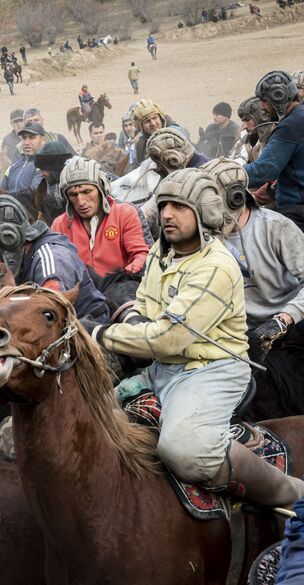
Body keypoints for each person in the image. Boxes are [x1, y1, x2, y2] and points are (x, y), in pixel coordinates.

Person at [92, 168, 304, 509]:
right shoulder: (162, 254)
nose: (166, 215)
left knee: (184, 450)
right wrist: (135, 321)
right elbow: (145, 305)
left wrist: (99, 334)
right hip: (164, 368)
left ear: (204, 211)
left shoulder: (216, 265)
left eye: (178, 206)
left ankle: (292, 494)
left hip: (211, 370)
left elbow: (168, 339)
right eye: (163, 206)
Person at [204, 158, 304, 366]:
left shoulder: (276, 228)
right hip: (242, 336)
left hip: (291, 326)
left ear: (235, 196)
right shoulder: (205, 239)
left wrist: (283, 320)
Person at [0, 195, 109, 322]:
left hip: (86, 331)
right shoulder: (30, 255)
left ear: (8, 236)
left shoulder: (50, 259)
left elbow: (49, 312)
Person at [51, 157, 150, 277]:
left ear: (102, 189)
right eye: (73, 194)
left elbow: (142, 254)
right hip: (80, 291)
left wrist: (128, 276)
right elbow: (57, 265)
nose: (81, 201)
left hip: (121, 286)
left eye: (87, 192)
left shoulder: (125, 213)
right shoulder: (60, 225)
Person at [244, 71, 304, 223]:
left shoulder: (289, 126)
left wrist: (228, 174)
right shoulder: (299, 118)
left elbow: (264, 170)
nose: (262, 107)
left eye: (264, 101)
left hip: (295, 212)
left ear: (279, 97)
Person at [1, 122, 46, 194]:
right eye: (24, 138)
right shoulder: (14, 164)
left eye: (32, 137)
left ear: (43, 140)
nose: (26, 142)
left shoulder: (44, 163)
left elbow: (33, 193)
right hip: (11, 203)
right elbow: (2, 191)